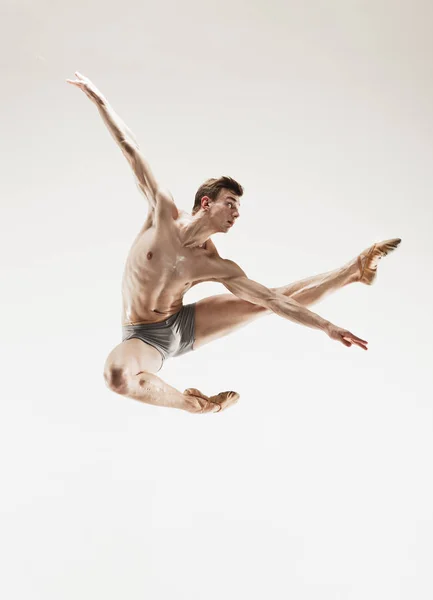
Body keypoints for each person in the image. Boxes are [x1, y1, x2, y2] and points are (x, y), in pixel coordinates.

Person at [67, 72, 401, 414]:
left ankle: (356, 270)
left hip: (180, 324)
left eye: (239, 208)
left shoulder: (215, 264)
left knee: (265, 302)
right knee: (118, 375)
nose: (236, 213)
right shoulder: (162, 212)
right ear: (206, 203)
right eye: (231, 203)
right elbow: (130, 148)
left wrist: (327, 326)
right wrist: (100, 100)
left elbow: (273, 300)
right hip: (144, 336)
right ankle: (197, 405)